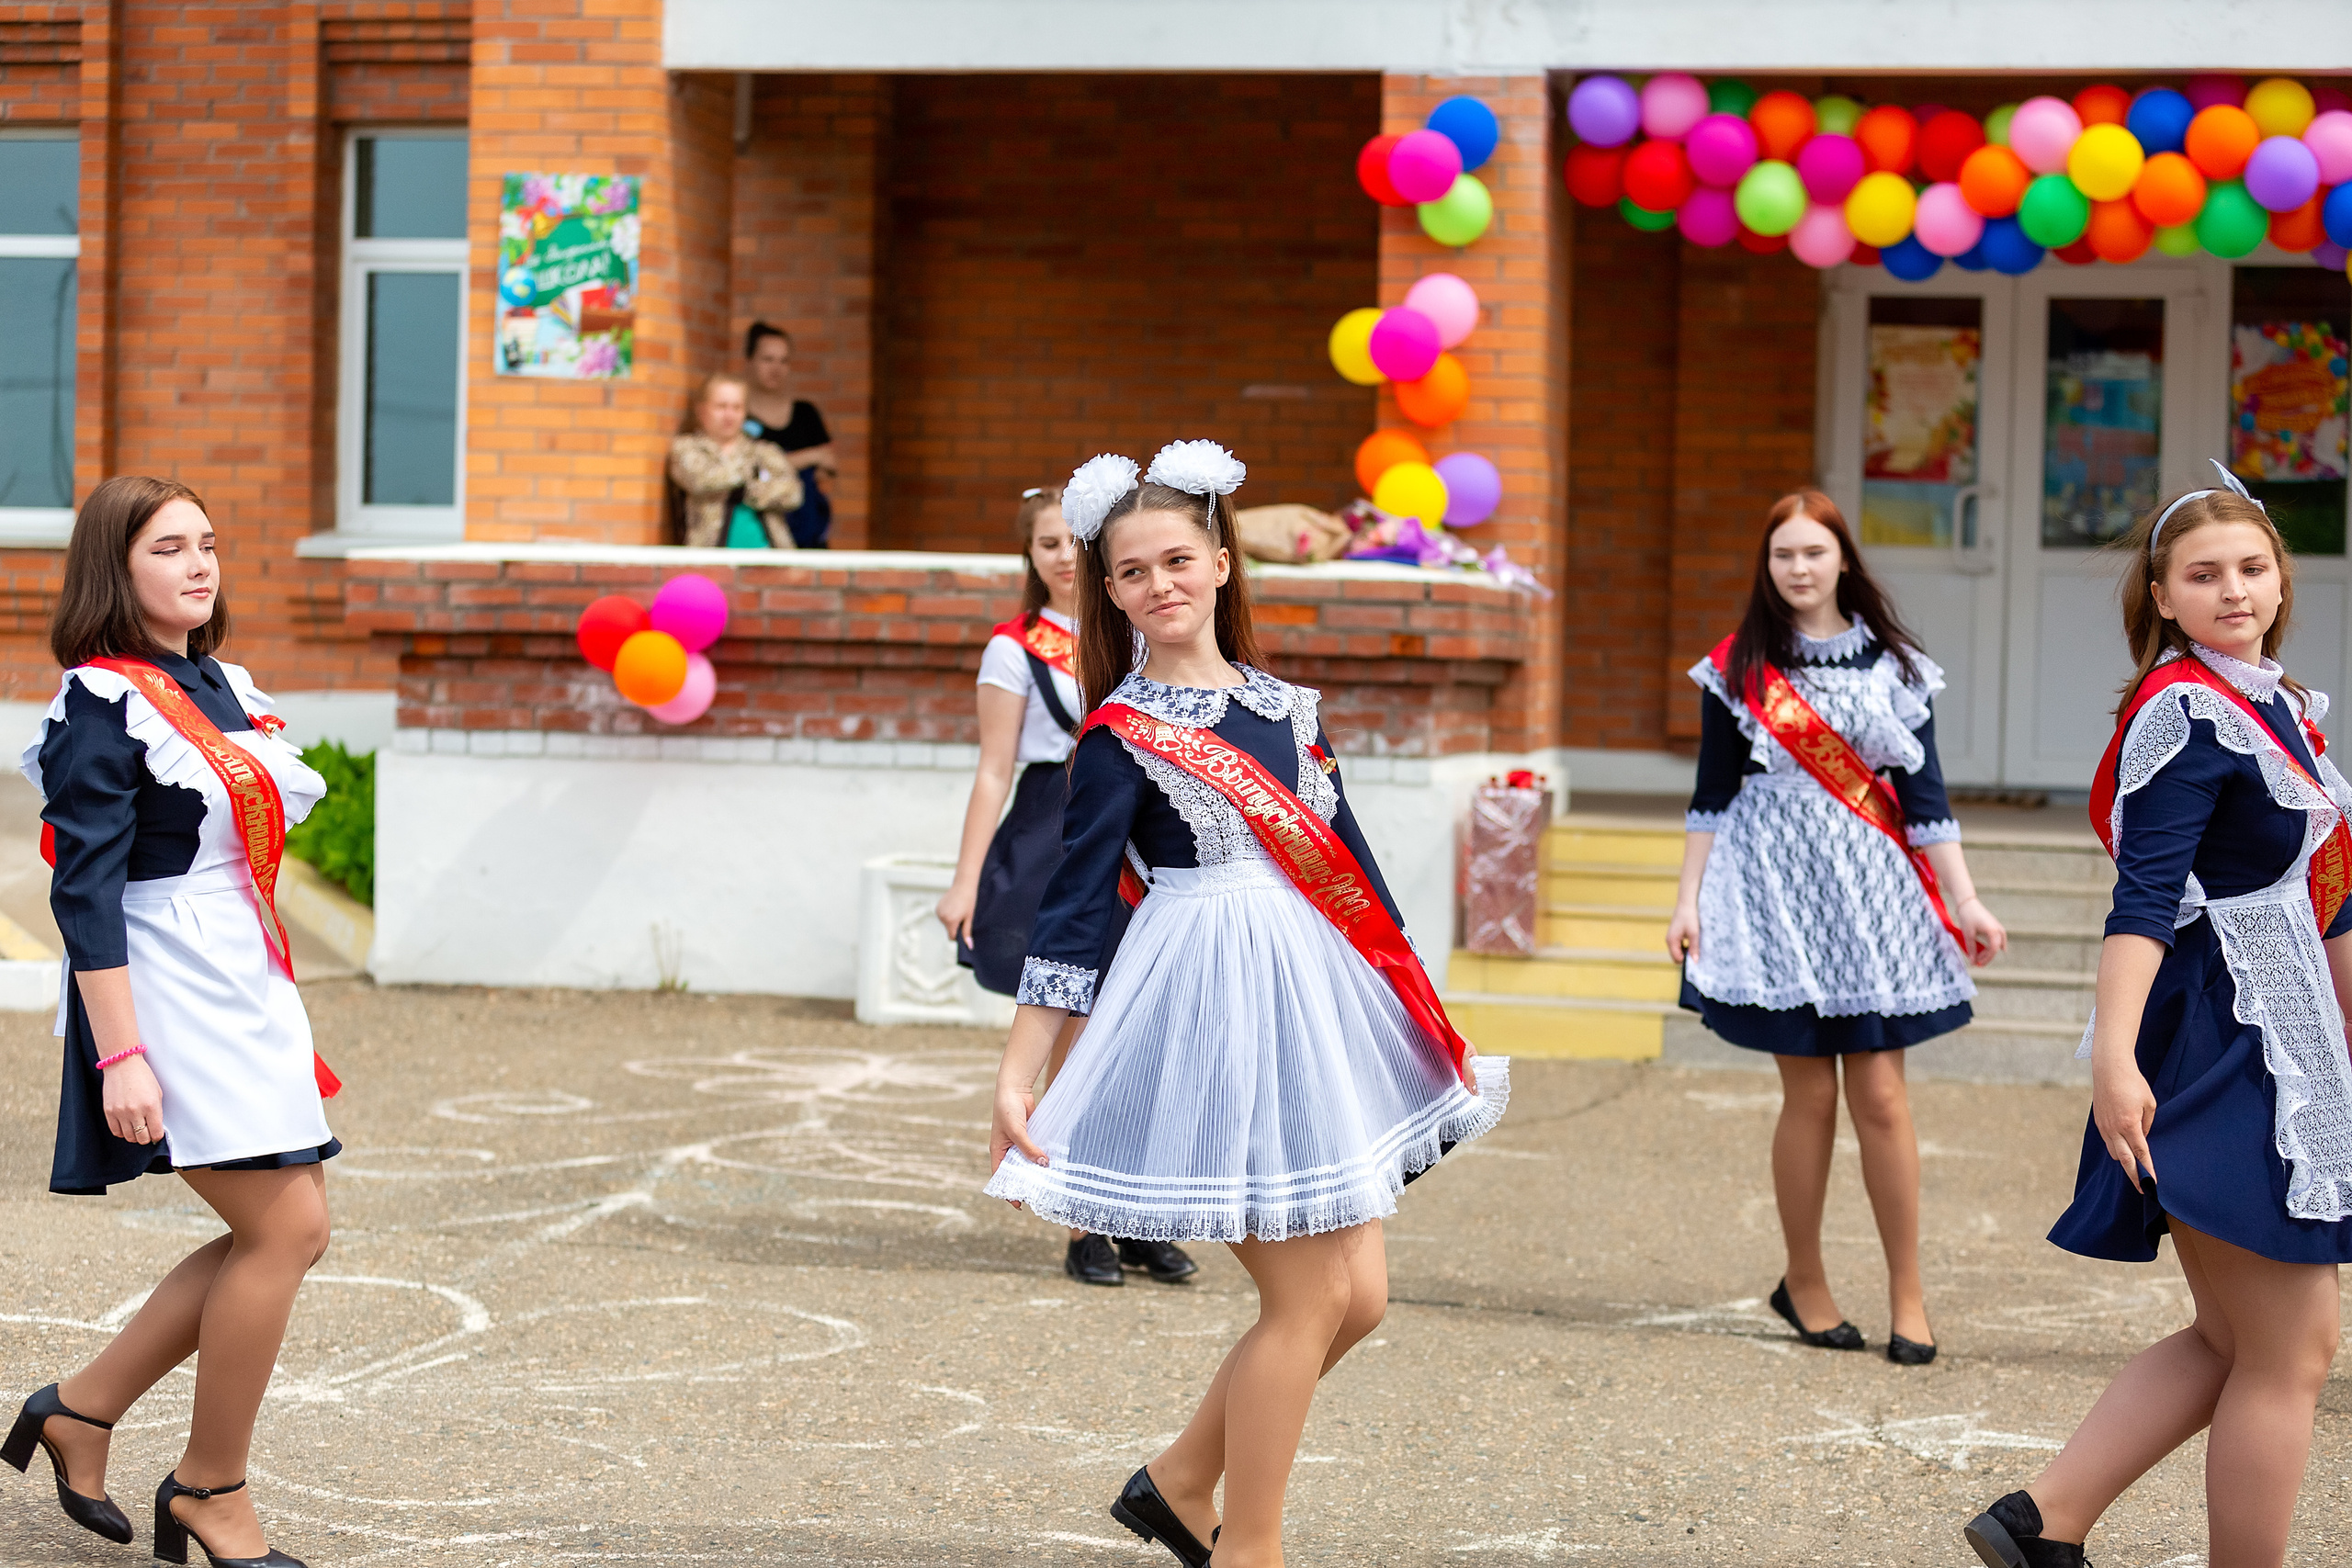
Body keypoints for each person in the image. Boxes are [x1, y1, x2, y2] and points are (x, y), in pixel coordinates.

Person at [985, 441, 1506, 1568]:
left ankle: (1178, 1482)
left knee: (1357, 1298)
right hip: (1209, 999)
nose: (1158, 584)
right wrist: (1022, 1068)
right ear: (1106, 592)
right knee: (1310, 1294)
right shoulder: (1120, 734)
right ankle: (1248, 1549)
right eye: (1130, 572)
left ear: (1222, 562)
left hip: (1315, 997)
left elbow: (1353, 872)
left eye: (1178, 558)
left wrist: (1417, 1015)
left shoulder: (1289, 707)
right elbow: (1074, 913)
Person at [1963, 467, 2352, 1568]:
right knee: (2293, 1350)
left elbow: (2332, 894)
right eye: (2203, 574)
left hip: (2285, 1037)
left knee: (2233, 1338)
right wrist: (2114, 1059)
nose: (2232, 589)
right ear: (2163, 595)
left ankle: (2042, 1522)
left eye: (2250, 567)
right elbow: (2143, 900)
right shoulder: (2185, 713)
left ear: (2280, 578)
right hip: (2225, 1042)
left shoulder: (2273, 703)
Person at [3, 476, 336, 1568]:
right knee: (286, 1228)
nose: (198, 565)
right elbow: (82, 894)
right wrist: (122, 1055)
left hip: (237, 969)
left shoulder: (216, 681)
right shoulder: (100, 702)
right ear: (116, 568)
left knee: (278, 1230)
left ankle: (82, 1410)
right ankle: (209, 1489)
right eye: (167, 550)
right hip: (162, 981)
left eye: (206, 544)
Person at [1666, 490, 2006, 1366]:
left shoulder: (1896, 666)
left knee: (1883, 1097)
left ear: (1844, 559)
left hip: (1875, 895)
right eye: (1784, 554)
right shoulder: (1739, 669)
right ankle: (1804, 1281)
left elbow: (1926, 801)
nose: (1800, 568)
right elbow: (1711, 795)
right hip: (1775, 893)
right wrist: (1687, 901)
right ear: (1768, 565)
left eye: (1815, 551)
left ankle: (1908, 1295)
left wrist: (1965, 899)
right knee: (1809, 1095)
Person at [937, 486, 1197, 1290]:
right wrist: (965, 878)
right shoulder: (1014, 647)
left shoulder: (1142, 630)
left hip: (1147, 837)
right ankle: (1085, 1219)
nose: (1058, 555)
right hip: (1059, 838)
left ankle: (1139, 1214)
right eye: (1044, 542)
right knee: (1075, 1035)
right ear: (1031, 554)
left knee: (1148, 1035)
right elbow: (993, 768)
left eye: (1070, 541)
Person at [667, 369, 802, 548]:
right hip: (709, 559)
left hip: (770, 559)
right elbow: (700, 480)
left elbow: (793, 493)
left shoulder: (765, 451)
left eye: (736, 407)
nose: (729, 415)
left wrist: (747, 491)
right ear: (701, 410)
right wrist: (752, 476)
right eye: (721, 407)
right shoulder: (687, 448)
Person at [742, 321, 836, 547]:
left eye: (784, 361)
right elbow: (747, 470)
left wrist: (779, 467)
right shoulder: (738, 415)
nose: (776, 368)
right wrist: (810, 457)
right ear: (749, 360)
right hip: (760, 531)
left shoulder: (805, 413)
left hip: (807, 529)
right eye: (768, 359)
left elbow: (828, 468)